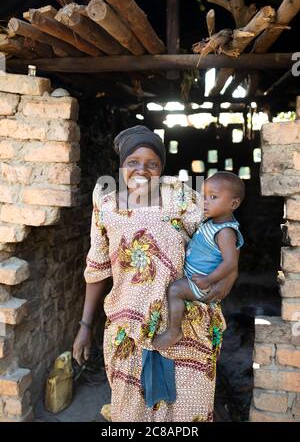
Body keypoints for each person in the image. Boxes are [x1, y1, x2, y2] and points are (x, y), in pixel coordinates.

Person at [73, 125, 239, 422]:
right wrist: (85, 326)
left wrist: (230, 273)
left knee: (190, 416)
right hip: (129, 333)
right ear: (121, 165)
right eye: (133, 162)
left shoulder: (181, 197)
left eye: (152, 163)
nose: (142, 170)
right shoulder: (107, 206)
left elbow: (224, 225)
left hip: (188, 327)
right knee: (131, 417)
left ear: (162, 167)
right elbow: (96, 268)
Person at [153, 172, 244, 350]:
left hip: (203, 283)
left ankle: (173, 331)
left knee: (175, 290)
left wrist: (208, 279)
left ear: (233, 203)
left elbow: (230, 263)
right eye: (205, 196)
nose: (206, 201)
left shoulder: (225, 232)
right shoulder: (213, 223)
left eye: (213, 197)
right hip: (198, 277)